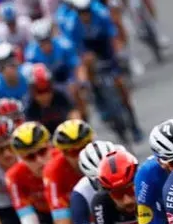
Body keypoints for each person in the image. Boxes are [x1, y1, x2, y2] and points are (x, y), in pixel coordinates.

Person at [56, 0, 143, 143]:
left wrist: (118, 54)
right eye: (81, 13)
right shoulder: (72, 24)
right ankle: (96, 93)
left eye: (86, 12)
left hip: (105, 48)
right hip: (87, 50)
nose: (85, 16)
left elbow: (112, 38)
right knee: (87, 65)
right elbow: (74, 51)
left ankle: (134, 126)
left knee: (121, 86)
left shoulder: (101, 14)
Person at [22, 63, 78, 134]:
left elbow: (75, 115)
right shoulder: (28, 105)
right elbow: (30, 132)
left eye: (47, 90)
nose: (44, 96)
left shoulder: (61, 94)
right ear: (32, 92)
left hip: (66, 135)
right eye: (39, 92)